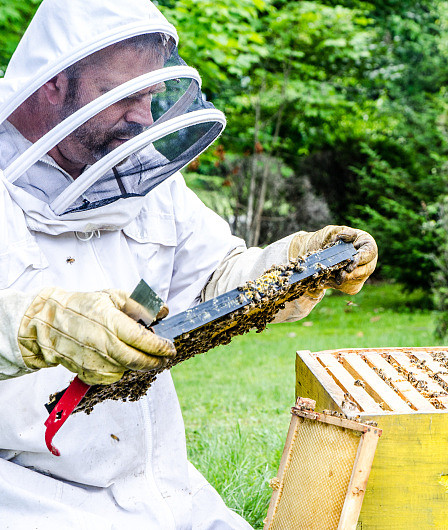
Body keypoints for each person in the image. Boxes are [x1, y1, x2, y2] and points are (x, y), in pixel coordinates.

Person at [0, 0, 377, 528]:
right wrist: (36, 326)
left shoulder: (139, 174)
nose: (143, 118)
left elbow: (216, 281)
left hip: (159, 489)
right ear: (54, 83)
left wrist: (291, 265)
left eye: (151, 96)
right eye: (124, 96)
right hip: (25, 495)